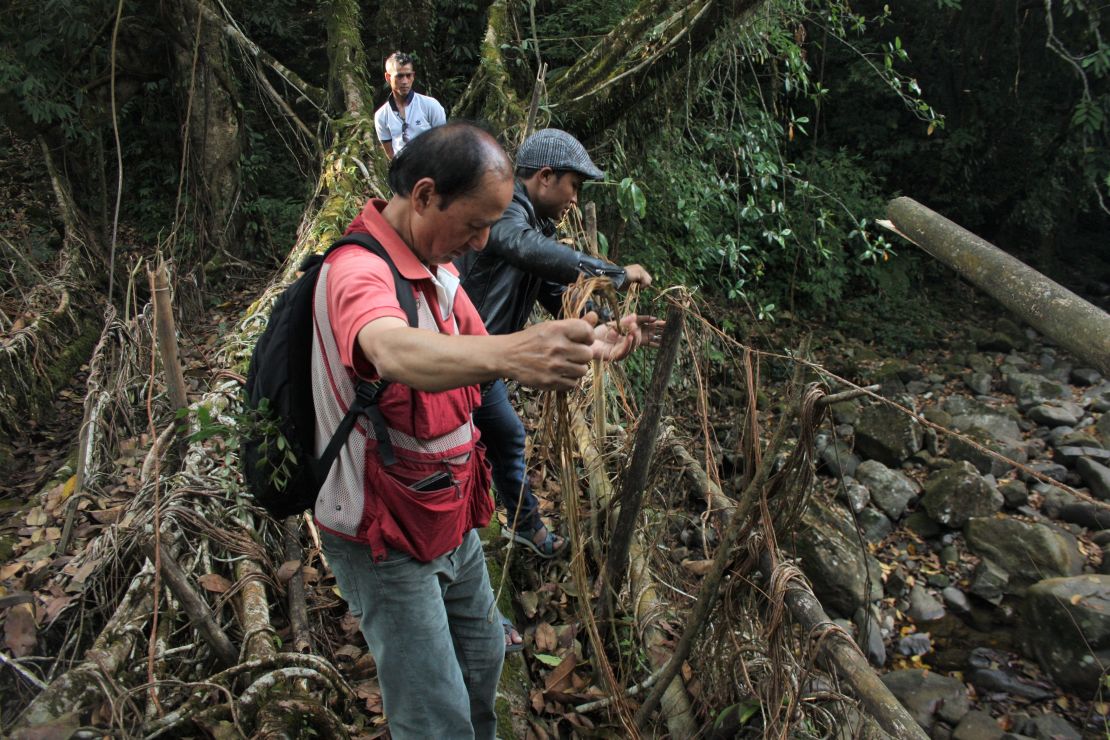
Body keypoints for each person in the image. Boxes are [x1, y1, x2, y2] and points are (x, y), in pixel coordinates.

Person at [311, 122, 644, 739]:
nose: (485, 240)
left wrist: (591, 343)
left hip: (448, 512)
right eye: (475, 224)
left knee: (485, 659)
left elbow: (480, 344)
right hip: (384, 533)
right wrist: (512, 357)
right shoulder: (357, 270)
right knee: (434, 712)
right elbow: (390, 349)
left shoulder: (438, 268)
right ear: (427, 195)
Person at [457, 128, 659, 560]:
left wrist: (609, 324)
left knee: (506, 438)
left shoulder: (532, 227)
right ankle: (472, 556)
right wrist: (613, 272)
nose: (574, 197)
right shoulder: (506, 211)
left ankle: (524, 526)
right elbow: (521, 247)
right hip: (459, 361)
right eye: (575, 185)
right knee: (462, 459)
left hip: (485, 365)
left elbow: (555, 292)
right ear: (545, 177)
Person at [373, 51, 447, 160]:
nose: (405, 81)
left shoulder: (431, 106)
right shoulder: (381, 115)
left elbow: (443, 144)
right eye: (399, 76)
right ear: (388, 77)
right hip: (404, 171)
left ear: (413, 76)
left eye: (408, 75)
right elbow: (390, 154)